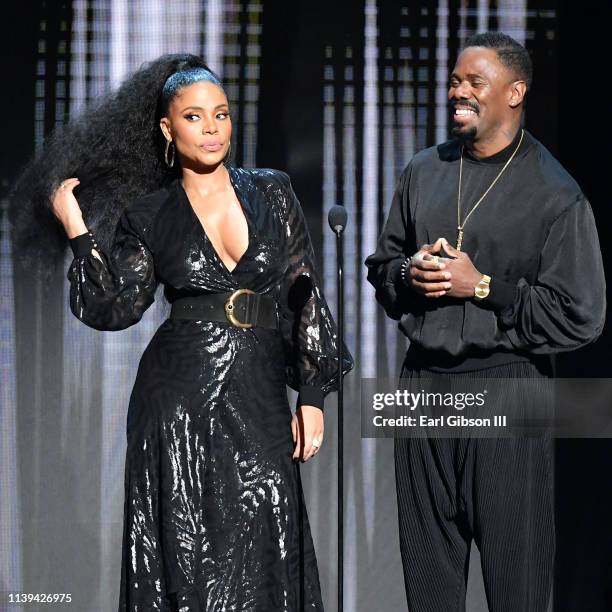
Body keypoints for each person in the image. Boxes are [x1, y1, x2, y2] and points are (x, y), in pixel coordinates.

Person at [13, 53, 353, 610]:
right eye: (194, 117)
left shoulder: (272, 191)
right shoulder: (149, 213)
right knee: (187, 552)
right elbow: (115, 306)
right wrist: (75, 225)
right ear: (168, 130)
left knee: (270, 528)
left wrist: (312, 394)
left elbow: (302, 289)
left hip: (259, 391)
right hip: (177, 401)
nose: (212, 128)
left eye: (220, 114)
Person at [364, 32, 605, 612]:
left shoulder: (555, 192)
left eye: (475, 82)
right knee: (428, 586)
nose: (458, 92)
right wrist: (408, 273)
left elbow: (582, 316)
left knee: (516, 582)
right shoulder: (424, 170)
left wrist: (486, 288)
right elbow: (382, 266)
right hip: (421, 389)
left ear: (515, 92)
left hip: (507, 388)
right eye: (455, 81)